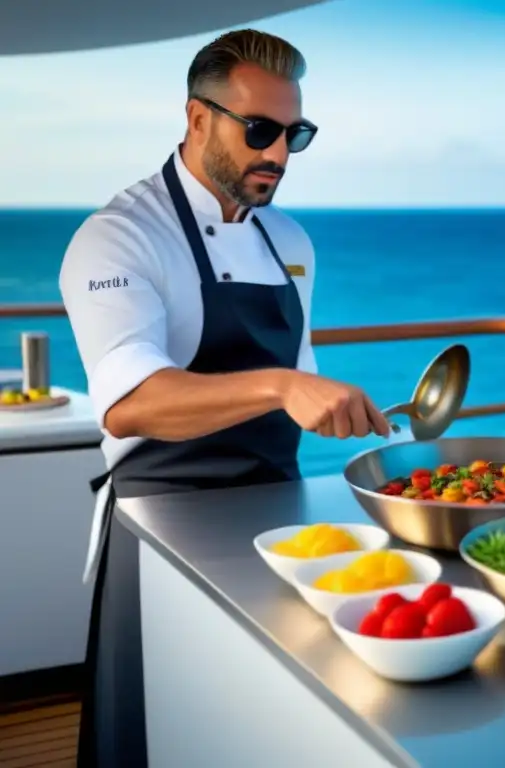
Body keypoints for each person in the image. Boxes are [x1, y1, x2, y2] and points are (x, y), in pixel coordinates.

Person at [59, 29, 389, 768]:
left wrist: (340, 411)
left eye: (294, 134)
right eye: (259, 130)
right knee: (151, 733)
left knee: (257, 726)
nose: (277, 154)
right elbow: (131, 400)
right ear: (197, 117)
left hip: (276, 515)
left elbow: (300, 381)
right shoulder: (117, 238)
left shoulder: (292, 241)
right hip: (158, 523)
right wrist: (280, 384)